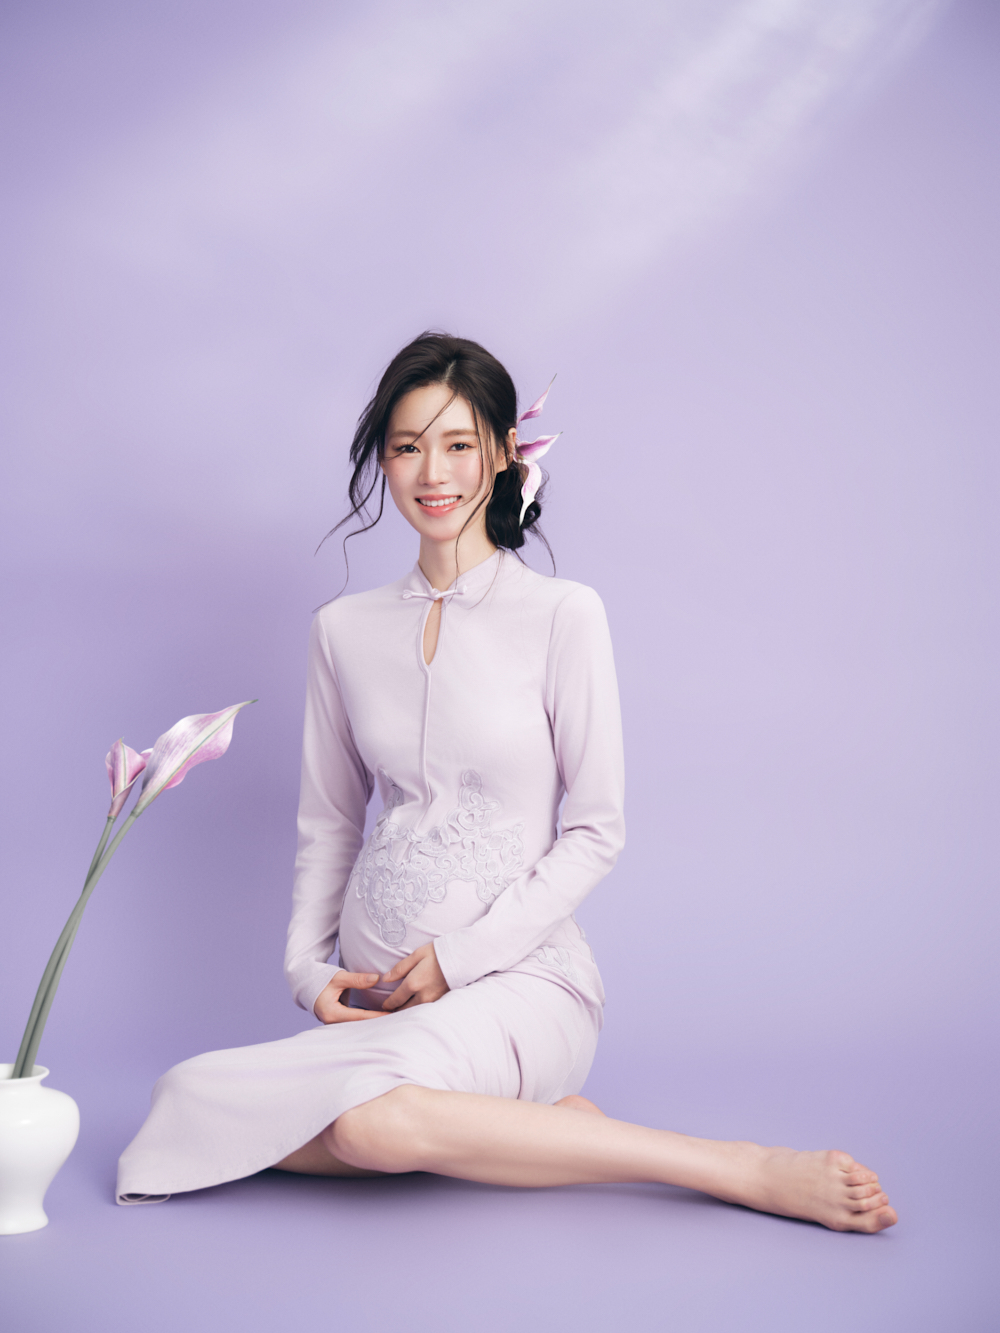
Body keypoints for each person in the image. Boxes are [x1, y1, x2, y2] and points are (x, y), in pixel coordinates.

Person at [117, 333, 896, 1233]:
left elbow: (597, 830)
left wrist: (456, 960)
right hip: (381, 1015)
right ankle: (544, 1132)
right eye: (408, 446)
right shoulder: (343, 630)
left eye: (458, 444)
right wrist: (305, 971)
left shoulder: (563, 614)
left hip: (524, 983)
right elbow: (329, 824)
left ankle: (733, 1165)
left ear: (502, 453)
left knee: (369, 1125)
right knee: (183, 1094)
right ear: (383, 460)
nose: (433, 472)